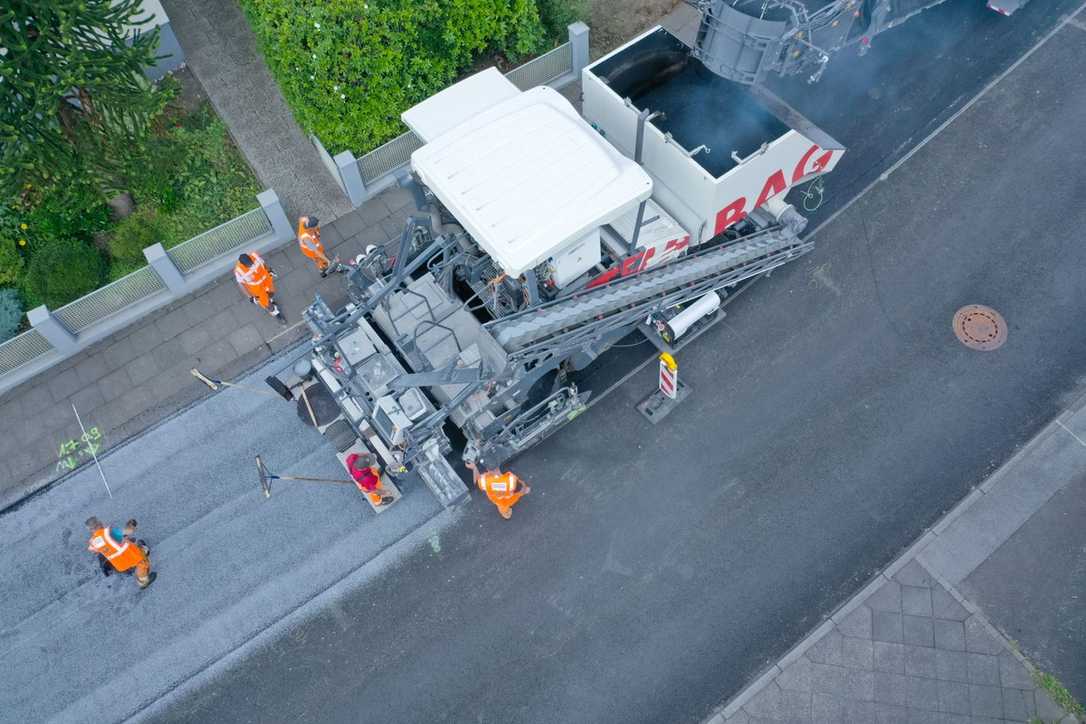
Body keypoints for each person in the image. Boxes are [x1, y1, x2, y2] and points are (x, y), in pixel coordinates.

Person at [86, 516, 155, 590]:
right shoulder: (108, 532)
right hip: (129, 555)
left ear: (90, 530)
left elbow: (95, 550)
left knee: (103, 554)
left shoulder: (93, 542)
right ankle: (143, 581)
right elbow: (128, 531)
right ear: (100, 524)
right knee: (142, 562)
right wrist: (132, 525)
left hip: (118, 563)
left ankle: (111, 569)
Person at [466, 461, 531, 520]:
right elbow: (520, 488)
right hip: (512, 498)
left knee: (503, 509)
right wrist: (525, 490)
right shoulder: (510, 479)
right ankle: (507, 513)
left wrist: (474, 468)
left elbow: (476, 483)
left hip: (500, 502)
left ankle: (506, 514)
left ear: (487, 469)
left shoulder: (486, 481)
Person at [234, 251, 285, 322]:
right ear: (243, 264)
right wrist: (250, 297)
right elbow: (241, 284)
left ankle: (271, 300)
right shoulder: (239, 270)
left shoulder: (254, 255)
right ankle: (276, 313)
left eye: (250, 262)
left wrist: (269, 270)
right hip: (257, 289)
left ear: (250, 258)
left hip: (266, 281)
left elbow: (263, 263)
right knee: (267, 304)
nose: (251, 265)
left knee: (271, 293)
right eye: (248, 264)